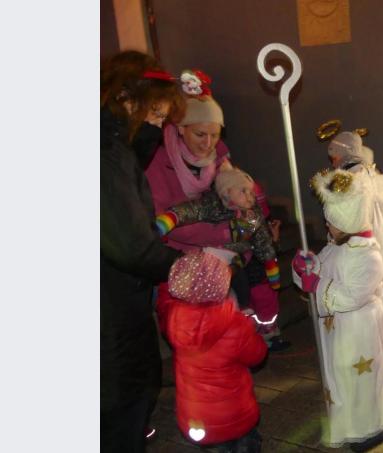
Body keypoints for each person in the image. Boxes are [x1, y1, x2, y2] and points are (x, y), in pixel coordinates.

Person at [145, 70, 290, 351]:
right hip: (186, 258)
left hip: (230, 253)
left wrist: (256, 221)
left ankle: (254, 338)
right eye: (200, 134)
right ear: (180, 128)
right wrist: (227, 231)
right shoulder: (158, 162)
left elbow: (240, 195)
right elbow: (167, 218)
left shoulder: (220, 157)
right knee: (211, 332)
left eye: (215, 134)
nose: (208, 143)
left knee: (241, 309)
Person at [100, 50, 185, 453]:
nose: (156, 127)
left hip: (118, 306)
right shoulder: (106, 155)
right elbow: (131, 245)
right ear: (127, 101)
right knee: (121, 409)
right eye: (153, 116)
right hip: (108, 313)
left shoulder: (118, 146)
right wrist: (188, 268)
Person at [292, 169, 383, 451]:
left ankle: (369, 428)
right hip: (339, 330)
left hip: (359, 329)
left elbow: (350, 297)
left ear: (347, 220)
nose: (328, 228)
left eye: (332, 223)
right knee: (341, 376)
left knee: (361, 379)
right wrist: (306, 269)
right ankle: (351, 422)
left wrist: (317, 283)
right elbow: (321, 271)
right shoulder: (337, 245)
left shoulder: (369, 256)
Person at [156, 251, 268, 452]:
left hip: (198, 418)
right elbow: (257, 354)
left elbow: (164, 307)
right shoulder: (233, 322)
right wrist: (250, 328)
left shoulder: (175, 319)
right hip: (235, 414)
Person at [155, 167, 282, 334]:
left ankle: (242, 319)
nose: (250, 197)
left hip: (235, 259)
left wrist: (271, 267)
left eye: (251, 192)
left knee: (241, 287)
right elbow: (190, 210)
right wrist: (168, 220)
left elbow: (262, 241)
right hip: (211, 256)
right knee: (211, 292)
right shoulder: (214, 205)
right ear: (227, 193)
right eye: (243, 191)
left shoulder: (253, 215)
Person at [324, 127, 383, 338]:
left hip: (361, 240)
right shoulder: (369, 173)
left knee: (364, 290)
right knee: (378, 287)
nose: (332, 161)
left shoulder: (349, 178)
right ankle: (379, 332)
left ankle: (370, 338)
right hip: (379, 238)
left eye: (333, 156)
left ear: (339, 154)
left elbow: (347, 217)